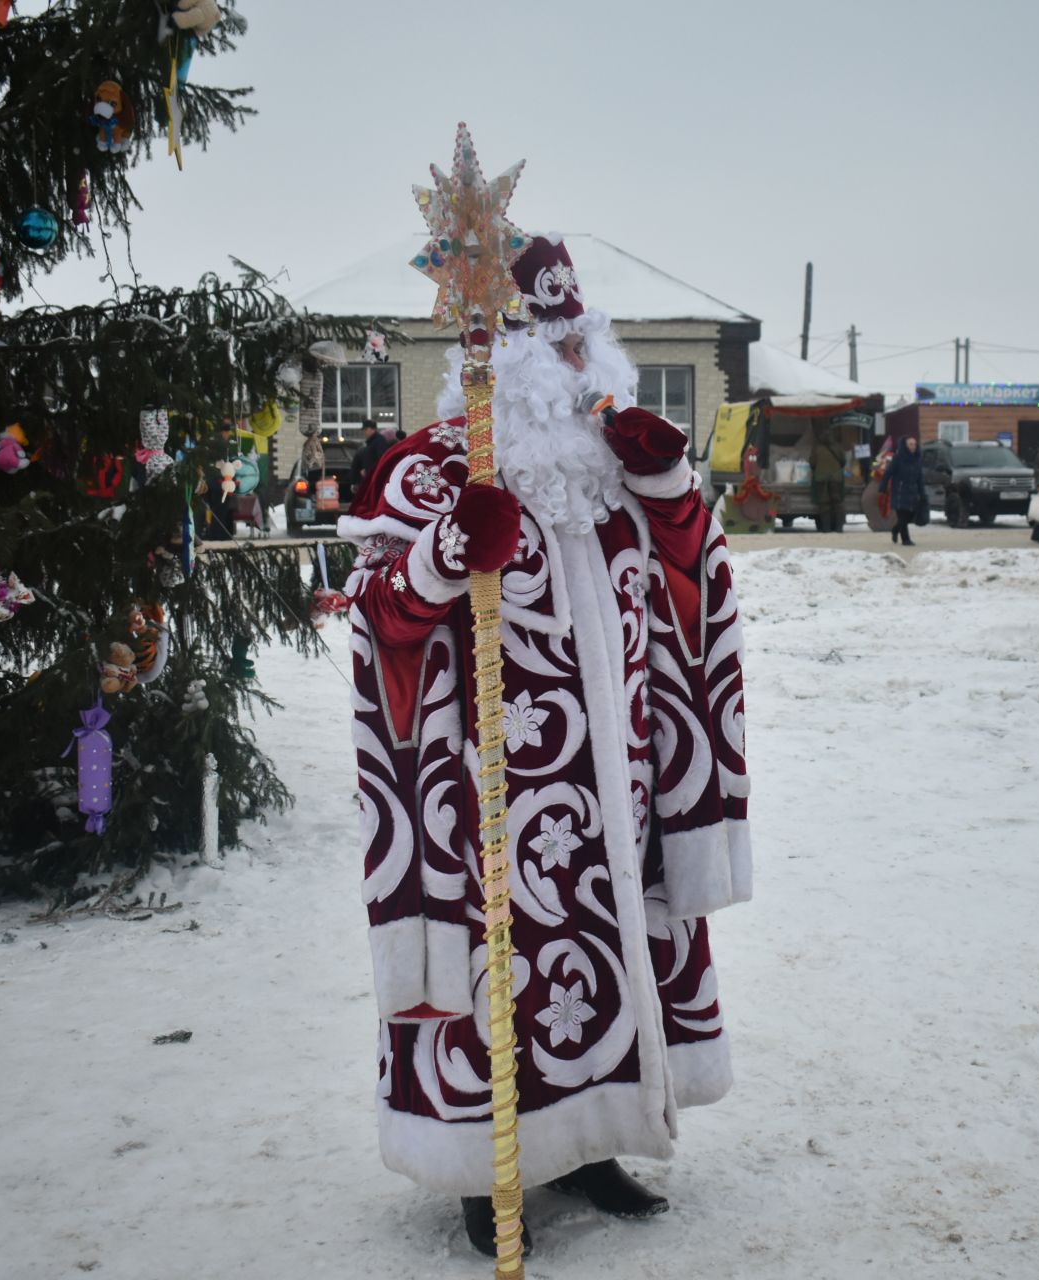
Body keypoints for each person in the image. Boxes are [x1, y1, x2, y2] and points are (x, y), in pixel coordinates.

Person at [337, 235, 752, 1258]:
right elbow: (375, 617)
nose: (576, 373)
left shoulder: (618, 472)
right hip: (489, 798)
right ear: (501, 366)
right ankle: (487, 1168)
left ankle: (595, 1140)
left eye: (584, 350)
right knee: (500, 977)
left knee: (609, 962)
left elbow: (697, 590)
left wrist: (672, 491)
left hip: (621, 788)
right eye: (555, 355)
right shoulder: (429, 472)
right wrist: (442, 553)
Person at [882, 434, 926, 546]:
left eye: (915, 444)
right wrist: (883, 486)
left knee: (910, 516)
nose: (913, 446)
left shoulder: (917, 459)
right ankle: (906, 540)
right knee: (902, 516)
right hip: (900, 492)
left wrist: (922, 493)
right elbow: (888, 473)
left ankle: (895, 529)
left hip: (912, 492)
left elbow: (920, 477)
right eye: (910, 444)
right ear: (905, 446)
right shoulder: (898, 458)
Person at [809, 426, 847, 533]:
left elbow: (812, 463)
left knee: (824, 504)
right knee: (838, 503)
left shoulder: (817, 448)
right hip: (836, 478)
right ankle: (839, 528)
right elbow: (843, 461)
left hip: (821, 478)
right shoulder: (838, 447)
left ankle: (826, 528)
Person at [348, 418, 389, 496]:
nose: (364, 432)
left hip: (375, 480)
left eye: (366, 429)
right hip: (369, 479)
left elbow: (381, 460)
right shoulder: (371, 443)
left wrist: (368, 470)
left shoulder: (379, 441)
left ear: (373, 429)